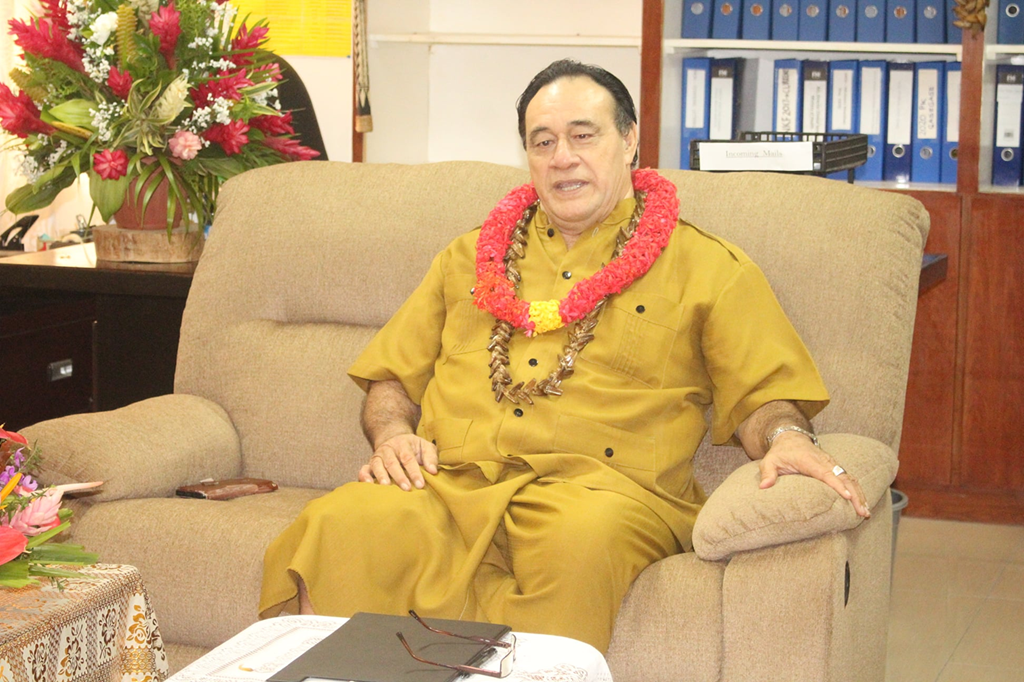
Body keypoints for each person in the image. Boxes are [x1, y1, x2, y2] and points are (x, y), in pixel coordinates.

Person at [259, 59, 869, 653]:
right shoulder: (470, 257)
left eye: (583, 135)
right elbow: (391, 376)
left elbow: (765, 394)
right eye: (543, 141)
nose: (562, 158)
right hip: (451, 484)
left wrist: (788, 436)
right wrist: (392, 434)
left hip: (601, 495)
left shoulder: (709, 268)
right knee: (345, 523)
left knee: (579, 544)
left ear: (629, 141)